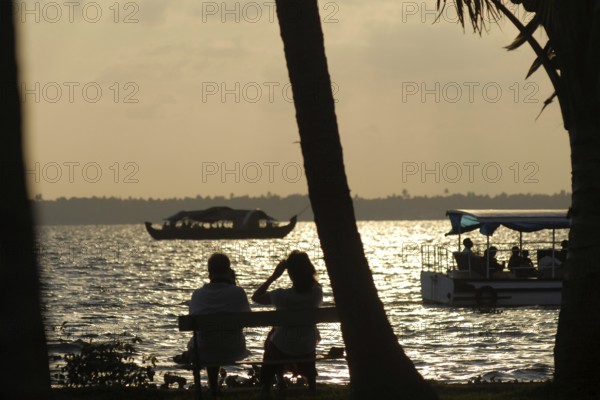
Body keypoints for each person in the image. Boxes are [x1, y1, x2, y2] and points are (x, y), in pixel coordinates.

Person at [252, 250, 323, 396]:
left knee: (272, 338)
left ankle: (267, 387)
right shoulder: (317, 294)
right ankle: (311, 387)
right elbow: (314, 283)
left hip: (282, 349)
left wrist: (274, 276)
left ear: (290, 274)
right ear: (310, 270)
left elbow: (256, 297)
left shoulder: (280, 296)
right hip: (307, 348)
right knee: (283, 336)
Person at [188, 253, 250, 396]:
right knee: (215, 341)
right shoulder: (239, 293)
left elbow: (193, 320)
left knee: (208, 341)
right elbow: (247, 319)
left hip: (205, 349)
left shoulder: (197, 295)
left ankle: (213, 388)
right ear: (228, 271)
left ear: (209, 272)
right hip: (234, 348)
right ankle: (214, 388)